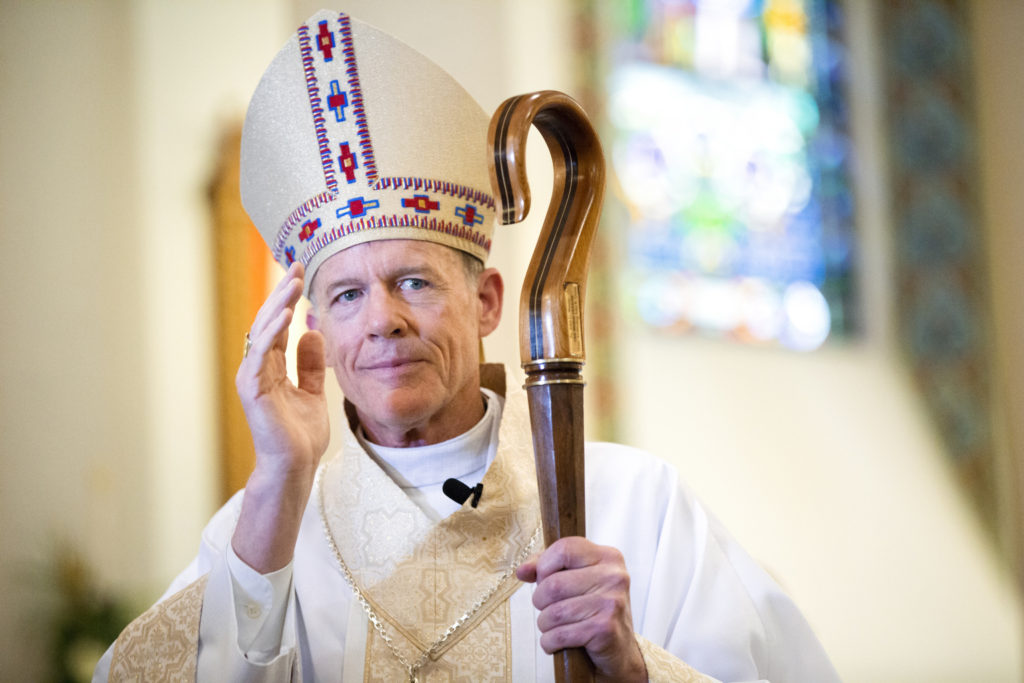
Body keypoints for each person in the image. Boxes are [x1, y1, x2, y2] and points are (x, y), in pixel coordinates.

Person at [95, 9, 841, 682]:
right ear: (315, 328)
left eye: (414, 282)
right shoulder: (263, 528)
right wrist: (279, 479)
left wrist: (634, 667)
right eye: (348, 295)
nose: (382, 320)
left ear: (486, 303)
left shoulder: (638, 504)